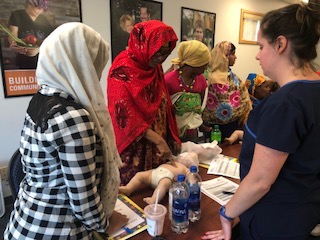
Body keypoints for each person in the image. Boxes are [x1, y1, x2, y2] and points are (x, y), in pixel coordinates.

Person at [202, 2, 320, 239]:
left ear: (280, 44)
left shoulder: (285, 103)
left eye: (260, 46)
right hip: (305, 210)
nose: (256, 55)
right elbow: (298, 143)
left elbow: (260, 181)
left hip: (275, 220)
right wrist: (246, 134)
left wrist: (227, 213)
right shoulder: (313, 90)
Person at [4, 22, 128, 239]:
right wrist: (106, 223)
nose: (97, 74)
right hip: (59, 230)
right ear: (80, 64)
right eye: (94, 64)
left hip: (24, 222)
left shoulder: (41, 101)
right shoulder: (74, 118)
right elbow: (84, 205)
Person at [107, 20, 181, 186]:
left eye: (166, 52)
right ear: (143, 44)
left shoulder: (155, 67)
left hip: (156, 145)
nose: (161, 58)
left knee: (157, 187)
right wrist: (159, 141)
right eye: (157, 51)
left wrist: (170, 135)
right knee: (133, 190)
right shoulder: (122, 70)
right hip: (134, 146)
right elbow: (125, 115)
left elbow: (165, 101)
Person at [201, 41, 252, 141]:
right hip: (213, 127)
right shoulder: (211, 79)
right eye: (233, 54)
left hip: (234, 125)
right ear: (225, 56)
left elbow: (243, 98)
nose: (235, 57)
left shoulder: (233, 78)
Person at [165, 40, 211, 142]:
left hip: (192, 134)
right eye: (205, 64)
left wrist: (200, 124)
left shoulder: (201, 80)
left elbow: (198, 110)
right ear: (196, 63)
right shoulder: (169, 81)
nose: (206, 68)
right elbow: (164, 113)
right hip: (172, 135)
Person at [119, 151, 198, 204]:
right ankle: (128, 188)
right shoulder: (173, 161)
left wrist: (193, 182)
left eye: (187, 159)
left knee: (163, 185)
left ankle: (154, 199)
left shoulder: (185, 169)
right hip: (154, 173)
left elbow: (191, 177)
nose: (183, 158)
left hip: (167, 177)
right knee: (139, 175)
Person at [7, 0, 54, 69]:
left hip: (42, 58)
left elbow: (51, 37)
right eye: (38, 8)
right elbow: (12, 36)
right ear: (30, 4)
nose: (40, 11)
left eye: (42, 9)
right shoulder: (17, 15)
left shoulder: (43, 19)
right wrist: (14, 44)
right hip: (23, 56)